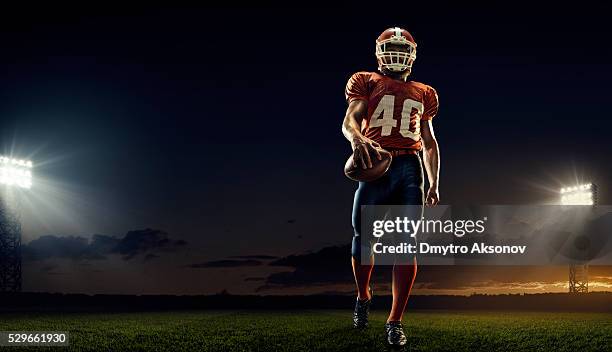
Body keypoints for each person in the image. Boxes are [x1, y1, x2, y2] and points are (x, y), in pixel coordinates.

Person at [341, 27, 441, 348]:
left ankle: (395, 321)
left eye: (402, 47)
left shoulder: (425, 92)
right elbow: (350, 119)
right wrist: (358, 139)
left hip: (410, 168)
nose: (396, 53)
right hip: (376, 162)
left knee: (406, 244)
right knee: (363, 241)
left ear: (412, 53)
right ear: (378, 51)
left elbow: (428, 142)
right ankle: (363, 295)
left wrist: (434, 182)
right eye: (390, 47)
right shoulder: (366, 80)